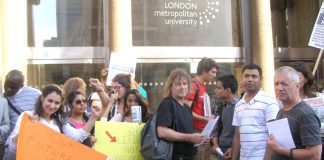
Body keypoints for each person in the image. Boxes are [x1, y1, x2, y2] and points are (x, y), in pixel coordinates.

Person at [3, 84, 101, 160]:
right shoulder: (27, 116)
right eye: (50, 101)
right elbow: (11, 149)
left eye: (57, 103)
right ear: (42, 98)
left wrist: (94, 117)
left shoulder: (59, 121)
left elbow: (77, 137)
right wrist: (27, 129)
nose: (52, 106)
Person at [267, 66, 322, 160]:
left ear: (297, 86)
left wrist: (280, 149)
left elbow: (315, 155)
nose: (279, 88)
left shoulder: (305, 115)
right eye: (276, 84)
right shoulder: (281, 111)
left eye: (284, 84)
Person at [231, 64, 279, 160]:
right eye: (246, 76)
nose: (250, 79)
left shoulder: (270, 102)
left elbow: (274, 135)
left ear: (261, 79)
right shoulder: (238, 105)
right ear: (241, 79)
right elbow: (237, 136)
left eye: (254, 76)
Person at [156, 68, 206, 159]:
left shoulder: (187, 108)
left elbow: (187, 132)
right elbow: (162, 132)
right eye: (178, 84)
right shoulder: (167, 103)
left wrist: (200, 139)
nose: (182, 87)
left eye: (185, 83)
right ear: (171, 87)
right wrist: (190, 137)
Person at [184, 57, 218, 160]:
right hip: (195, 130)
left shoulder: (202, 86)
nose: (214, 75)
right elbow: (186, 111)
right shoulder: (193, 85)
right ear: (204, 71)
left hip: (203, 131)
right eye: (213, 72)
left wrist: (207, 117)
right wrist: (205, 119)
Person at [210, 74, 239, 160]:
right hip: (221, 150)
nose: (215, 91)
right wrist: (216, 146)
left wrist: (234, 149)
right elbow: (214, 127)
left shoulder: (240, 107)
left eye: (219, 88)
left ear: (228, 91)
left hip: (236, 150)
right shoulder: (220, 106)